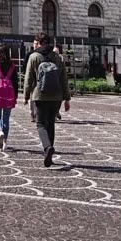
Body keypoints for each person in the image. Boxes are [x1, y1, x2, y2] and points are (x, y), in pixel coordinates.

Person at [24, 32, 71, 167]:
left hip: (40, 95)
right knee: (51, 124)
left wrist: (26, 96)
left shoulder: (34, 57)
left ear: (38, 42)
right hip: (56, 96)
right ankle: (49, 151)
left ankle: (47, 147)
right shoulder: (58, 57)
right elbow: (64, 79)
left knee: (40, 124)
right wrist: (67, 98)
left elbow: (28, 78)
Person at [0, 45, 19, 150]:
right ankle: (5, 142)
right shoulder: (12, 66)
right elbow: (15, 83)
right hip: (9, 94)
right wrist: (16, 95)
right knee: (6, 118)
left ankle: (0, 131)